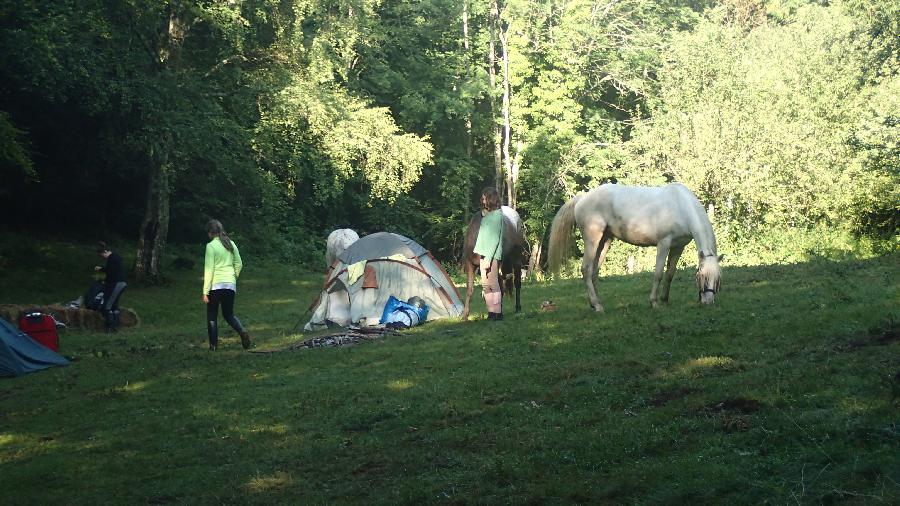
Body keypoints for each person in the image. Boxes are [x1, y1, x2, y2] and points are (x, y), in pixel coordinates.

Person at [202, 219, 252, 351]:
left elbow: (209, 270)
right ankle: (242, 331)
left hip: (215, 286)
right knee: (228, 314)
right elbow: (239, 263)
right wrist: (232, 278)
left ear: (210, 233)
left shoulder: (211, 246)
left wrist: (205, 291)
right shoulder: (231, 244)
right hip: (230, 285)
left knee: (212, 315)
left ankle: (213, 346)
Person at [473, 187, 504, 320]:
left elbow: (495, 239)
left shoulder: (497, 215)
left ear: (491, 198)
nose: (483, 200)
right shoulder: (487, 214)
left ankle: (498, 313)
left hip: (491, 255)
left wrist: (489, 259)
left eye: (485, 197)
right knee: (485, 285)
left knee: (493, 285)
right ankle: (490, 313)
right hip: (483, 254)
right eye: (483, 198)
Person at [95, 241, 127, 332]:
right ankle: (116, 325)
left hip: (116, 284)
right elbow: (110, 269)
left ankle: (110, 327)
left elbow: (111, 273)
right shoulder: (115, 257)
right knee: (114, 305)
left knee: (106, 307)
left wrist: (105, 282)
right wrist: (101, 268)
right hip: (122, 283)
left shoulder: (111, 259)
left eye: (102, 255)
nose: (102, 258)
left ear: (105, 252)